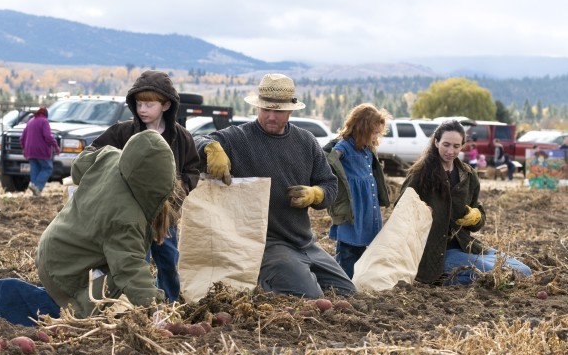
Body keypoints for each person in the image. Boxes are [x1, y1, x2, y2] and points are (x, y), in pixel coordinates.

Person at [0, 130, 177, 324]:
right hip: (64, 264)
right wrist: (156, 309)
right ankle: (1, 294)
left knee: (84, 292)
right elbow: (130, 269)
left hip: (59, 243)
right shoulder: (125, 218)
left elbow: (78, 167)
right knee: (74, 312)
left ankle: (11, 292)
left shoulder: (110, 156)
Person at [194, 73, 356, 299]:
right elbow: (194, 139)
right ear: (257, 107)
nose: (271, 116)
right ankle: (267, 281)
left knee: (348, 292)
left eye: (278, 111)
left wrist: (315, 194)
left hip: (304, 242)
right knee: (310, 297)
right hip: (266, 244)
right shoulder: (238, 138)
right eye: (265, 109)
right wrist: (210, 147)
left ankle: (291, 276)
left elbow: (330, 184)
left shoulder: (306, 141)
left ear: (290, 110)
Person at [91, 70, 199, 302]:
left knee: (169, 262)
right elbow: (93, 154)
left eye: (149, 104)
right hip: (131, 218)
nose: (142, 110)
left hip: (166, 217)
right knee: (135, 262)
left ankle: (169, 304)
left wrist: (178, 191)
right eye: (139, 103)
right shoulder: (122, 132)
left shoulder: (181, 137)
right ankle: (128, 305)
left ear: (166, 105)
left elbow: (192, 169)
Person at [397, 120, 531, 285]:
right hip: (435, 251)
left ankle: (451, 277)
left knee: (523, 271)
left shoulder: (467, 175)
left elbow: (478, 215)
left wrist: (475, 217)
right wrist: (421, 212)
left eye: (456, 146)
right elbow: (400, 210)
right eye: (446, 144)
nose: (450, 151)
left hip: (464, 245)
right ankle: (437, 277)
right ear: (436, 142)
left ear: (462, 146)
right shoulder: (420, 174)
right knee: (497, 274)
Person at [323, 104, 391, 278]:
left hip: (367, 205)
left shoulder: (367, 149)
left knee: (362, 245)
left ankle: (357, 279)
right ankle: (344, 280)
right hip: (354, 206)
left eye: (378, 133)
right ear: (361, 129)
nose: (376, 136)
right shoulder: (344, 146)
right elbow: (329, 160)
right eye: (373, 132)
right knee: (348, 248)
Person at [20, 106, 60, 196]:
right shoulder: (44, 121)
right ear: (46, 114)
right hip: (42, 151)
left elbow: (22, 138)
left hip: (30, 151)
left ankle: (35, 194)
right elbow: (48, 136)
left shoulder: (30, 121)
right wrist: (56, 146)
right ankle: (36, 186)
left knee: (35, 170)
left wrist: (24, 150)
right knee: (47, 168)